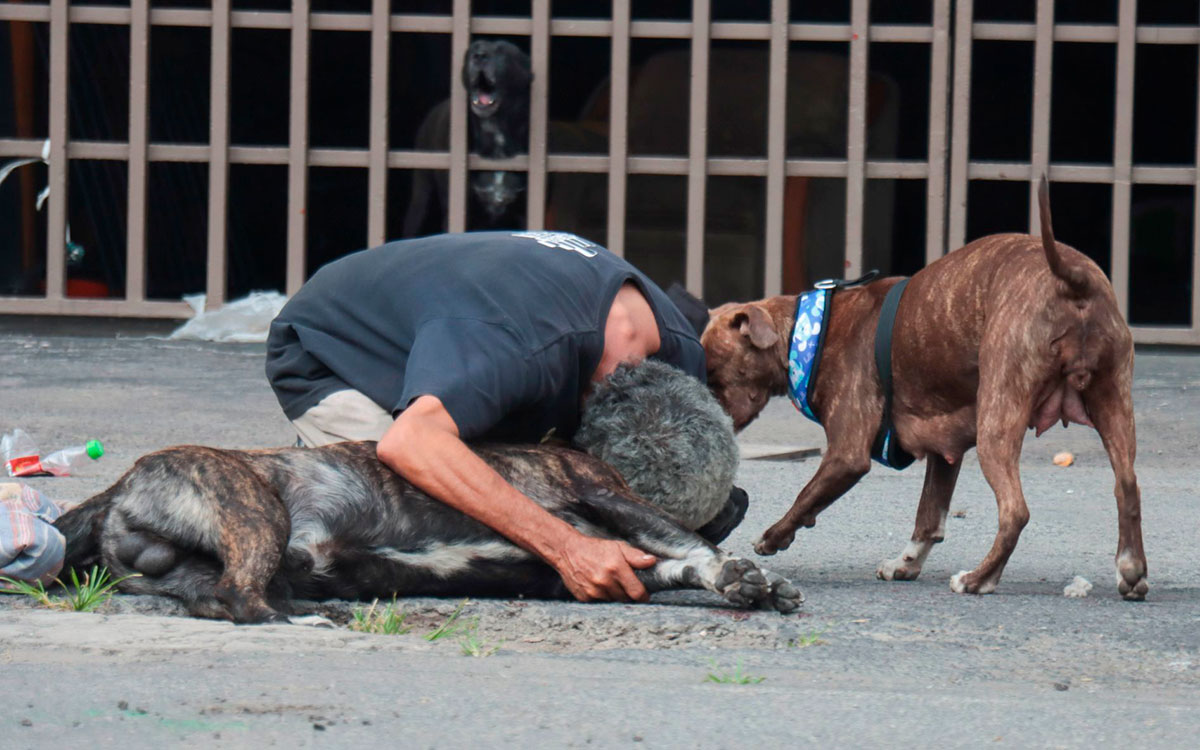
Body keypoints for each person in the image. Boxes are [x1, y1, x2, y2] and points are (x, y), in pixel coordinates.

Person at [265, 230, 745, 604]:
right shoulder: (508, 351)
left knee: (514, 487)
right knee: (434, 517)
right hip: (334, 349)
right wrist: (567, 547)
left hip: (473, 315)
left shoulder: (680, 356)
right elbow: (410, 444)